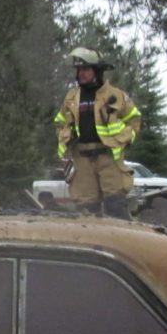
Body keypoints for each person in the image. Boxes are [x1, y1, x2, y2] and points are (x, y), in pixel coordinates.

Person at [54, 47, 142, 219]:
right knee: (86, 211)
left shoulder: (116, 95)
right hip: (82, 160)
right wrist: (65, 136)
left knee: (116, 207)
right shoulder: (71, 98)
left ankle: (122, 243)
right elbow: (60, 122)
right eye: (79, 70)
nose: (81, 74)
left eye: (86, 69)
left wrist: (123, 139)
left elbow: (134, 121)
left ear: (97, 71)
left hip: (109, 158)